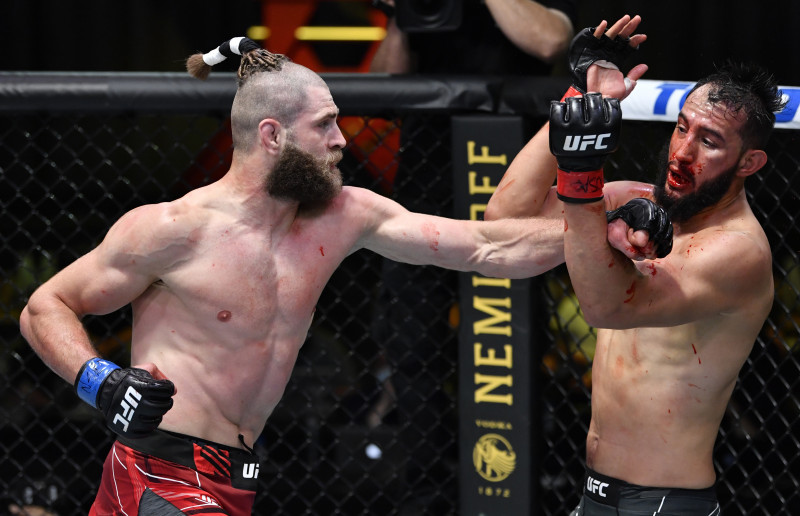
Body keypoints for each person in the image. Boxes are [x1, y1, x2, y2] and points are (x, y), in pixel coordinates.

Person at [18, 37, 661, 515]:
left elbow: (490, 248)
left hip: (232, 477)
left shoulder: (344, 214)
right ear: (272, 135)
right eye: (324, 124)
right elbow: (45, 306)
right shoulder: (172, 229)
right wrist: (100, 380)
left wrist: (599, 221)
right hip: (159, 472)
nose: (343, 139)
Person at [487, 15, 786, 515]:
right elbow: (506, 219)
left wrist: (582, 180)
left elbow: (606, 306)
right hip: (595, 495)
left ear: (749, 163)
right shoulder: (638, 201)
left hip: (665, 502)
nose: (682, 152)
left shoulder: (738, 251)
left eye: (709, 141)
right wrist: (580, 100)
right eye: (682, 128)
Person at [367, 1, 578, 507]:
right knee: (410, 339)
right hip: (427, 174)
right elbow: (383, 82)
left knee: (510, 332)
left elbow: (551, 40)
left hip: (511, 174)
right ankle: (428, 490)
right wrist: (400, 16)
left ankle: (522, 482)